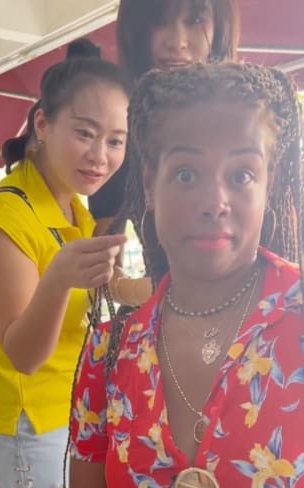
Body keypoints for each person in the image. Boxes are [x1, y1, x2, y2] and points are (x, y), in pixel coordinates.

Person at [68, 63, 304, 488]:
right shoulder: (112, 350)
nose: (214, 200)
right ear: (148, 181)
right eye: (187, 174)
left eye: (242, 174)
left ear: (269, 183)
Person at [0, 39, 129, 488]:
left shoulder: (72, 211)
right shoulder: (5, 213)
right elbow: (22, 353)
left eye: (115, 140)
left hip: (72, 412)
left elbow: (108, 297)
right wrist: (60, 278)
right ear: (42, 123)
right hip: (26, 420)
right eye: (85, 133)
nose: (100, 155)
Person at [90, 0, 240, 307]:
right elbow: (103, 267)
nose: (177, 41)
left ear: (220, 27)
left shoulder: (250, 117)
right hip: (166, 326)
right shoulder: (124, 135)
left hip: (259, 324)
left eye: (195, 19)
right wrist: (146, 291)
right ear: (136, 30)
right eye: (160, 22)